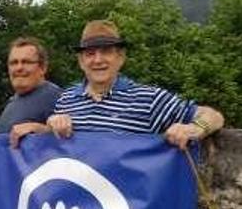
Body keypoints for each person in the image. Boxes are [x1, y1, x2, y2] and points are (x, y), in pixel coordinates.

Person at [47, 20, 224, 148]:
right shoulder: (66, 100)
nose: (98, 60)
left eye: (107, 51)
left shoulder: (149, 99)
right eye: (90, 53)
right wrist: (51, 123)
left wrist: (195, 129)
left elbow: (214, 116)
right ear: (81, 61)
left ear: (120, 57)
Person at [0, 37, 63, 147]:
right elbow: (9, 136)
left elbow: (74, 140)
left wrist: (39, 129)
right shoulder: (13, 101)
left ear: (43, 68)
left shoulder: (56, 97)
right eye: (13, 63)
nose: (19, 68)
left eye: (26, 62)